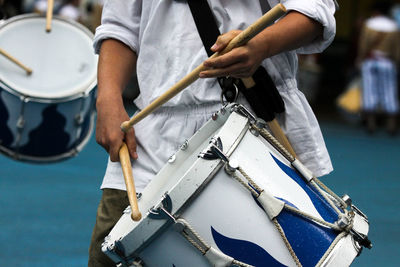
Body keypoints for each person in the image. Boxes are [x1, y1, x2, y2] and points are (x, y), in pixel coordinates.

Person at [88, 0, 337, 266]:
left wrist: (261, 45)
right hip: (152, 127)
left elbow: (314, 10)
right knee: (110, 256)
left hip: (249, 123)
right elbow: (120, 25)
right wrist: (108, 97)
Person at [357, 1, 400, 134]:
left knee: (370, 91)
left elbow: (363, 45)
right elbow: (397, 50)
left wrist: (360, 58)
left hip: (370, 61)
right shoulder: (394, 27)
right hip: (387, 62)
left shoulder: (369, 24)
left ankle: (371, 123)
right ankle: (391, 125)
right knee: (389, 91)